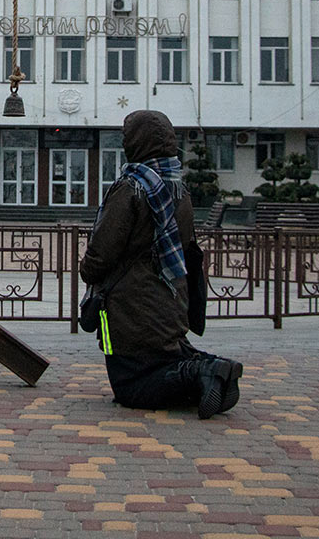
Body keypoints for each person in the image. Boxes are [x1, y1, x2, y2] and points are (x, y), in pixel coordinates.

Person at [80, 110, 243, 416]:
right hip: (172, 298)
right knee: (162, 360)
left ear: (137, 142)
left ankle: (200, 372)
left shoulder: (131, 187)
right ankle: (215, 371)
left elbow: (103, 251)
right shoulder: (178, 188)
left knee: (131, 386)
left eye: (127, 137)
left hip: (132, 306)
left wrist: (87, 270)